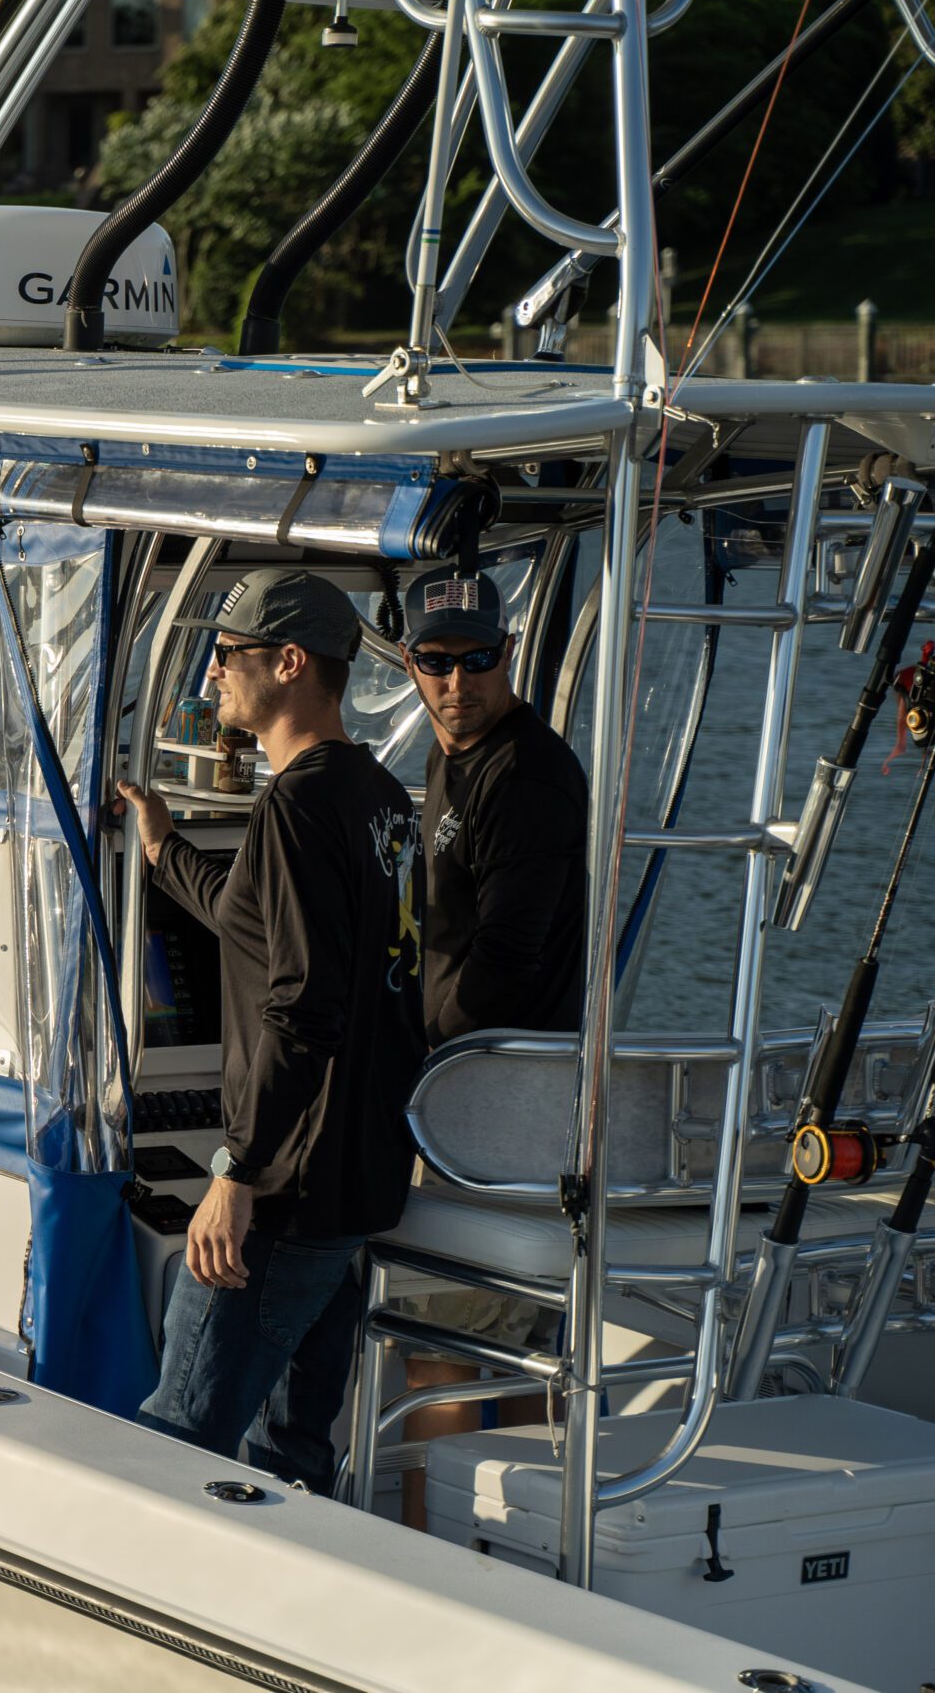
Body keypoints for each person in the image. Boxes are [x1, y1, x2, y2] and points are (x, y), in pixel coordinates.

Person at [114, 567, 423, 1497]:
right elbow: (257, 921)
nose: (213, 669)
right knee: (291, 1462)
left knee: (174, 1445)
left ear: (289, 663)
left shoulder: (296, 807)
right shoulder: (379, 797)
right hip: (354, 1188)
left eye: (228, 652)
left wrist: (237, 1172)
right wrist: (163, 847)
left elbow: (302, 1005)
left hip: (286, 1190)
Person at [394, 565, 590, 1525]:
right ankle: (505, 1551)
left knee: (442, 1351)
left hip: (491, 1109)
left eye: (478, 659)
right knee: (507, 1351)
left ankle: (423, 1552)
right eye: (436, 662)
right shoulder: (452, 759)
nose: (457, 682)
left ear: (508, 654)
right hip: (483, 1105)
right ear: (408, 664)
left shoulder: (528, 775)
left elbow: (506, 961)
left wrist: (410, 1068)